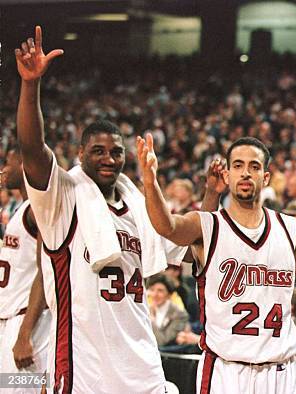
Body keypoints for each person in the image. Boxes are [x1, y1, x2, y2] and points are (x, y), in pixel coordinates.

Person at [15, 26, 186, 393]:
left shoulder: (139, 207)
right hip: (85, 366)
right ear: (80, 155)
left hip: (141, 362)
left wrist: (211, 196)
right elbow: (32, 149)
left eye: (116, 152)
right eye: (98, 151)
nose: (109, 159)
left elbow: (187, 241)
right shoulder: (64, 198)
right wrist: (31, 86)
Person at [136, 134, 296, 394]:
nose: (245, 173)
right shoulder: (207, 225)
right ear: (227, 175)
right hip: (227, 371)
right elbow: (168, 226)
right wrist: (151, 183)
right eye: (238, 165)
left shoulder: (288, 229)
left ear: (265, 178)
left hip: (280, 372)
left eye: (254, 167)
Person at [0, 149, 50, 393]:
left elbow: (45, 272)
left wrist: (25, 334)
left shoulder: (36, 211)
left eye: (8, 163)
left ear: (25, 165)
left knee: (23, 389)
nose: (3, 170)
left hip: (28, 322)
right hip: (11, 319)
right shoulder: (20, 210)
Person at [147, 273, 189, 347]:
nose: (155, 294)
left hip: (167, 356)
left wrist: (152, 319)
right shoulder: (145, 309)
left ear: (169, 294)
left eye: (160, 291)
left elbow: (162, 342)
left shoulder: (179, 314)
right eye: (152, 290)